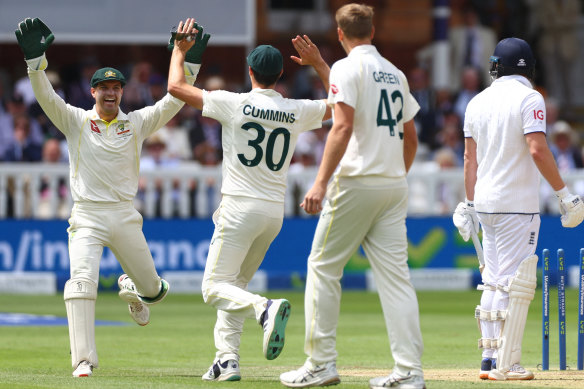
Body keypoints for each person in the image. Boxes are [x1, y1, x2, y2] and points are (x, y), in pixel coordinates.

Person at [14, 17, 205, 377]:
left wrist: (189, 63)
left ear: (122, 92)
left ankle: (134, 287)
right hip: (87, 217)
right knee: (80, 283)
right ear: (93, 93)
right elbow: (45, 96)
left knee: (155, 291)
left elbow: (172, 103)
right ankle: (83, 360)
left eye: (116, 87)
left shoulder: (135, 124)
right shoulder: (75, 122)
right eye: (104, 87)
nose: (110, 92)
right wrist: (35, 64)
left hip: (124, 216)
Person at [167, 18, 332, 382]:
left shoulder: (235, 103)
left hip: (239, 207)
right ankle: (227, 359)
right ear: (279, 74)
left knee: (213, 287)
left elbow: (176, 87)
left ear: (251, 71)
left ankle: (264, 307)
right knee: (233, 286)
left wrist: (180, 51)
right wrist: (319, 64)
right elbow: (340, 104)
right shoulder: (294, 110)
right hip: (273, 213)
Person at [280, 4, 425, 389]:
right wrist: (394, 175)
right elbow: (410, 138)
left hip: (356, 182)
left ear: (340, 34)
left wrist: (319, 182)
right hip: (393, 186)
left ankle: (320, 364)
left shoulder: (347, 68)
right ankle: (410, 372)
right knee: (397, 280)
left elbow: (341, 127)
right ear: (372, 32)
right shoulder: (395, 73)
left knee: (323, 268)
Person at [453, 37, 584, 381]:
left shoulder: (477, 101)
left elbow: (469, 158)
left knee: (494, 282)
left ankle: (489, 358)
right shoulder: (530, 98)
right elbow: (538, 149)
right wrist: (565, 194)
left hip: (486, 204)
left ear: (495, 66)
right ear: (528, 68)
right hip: (517, 206)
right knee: (514, 284)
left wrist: (468, 204)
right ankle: (506, 364)